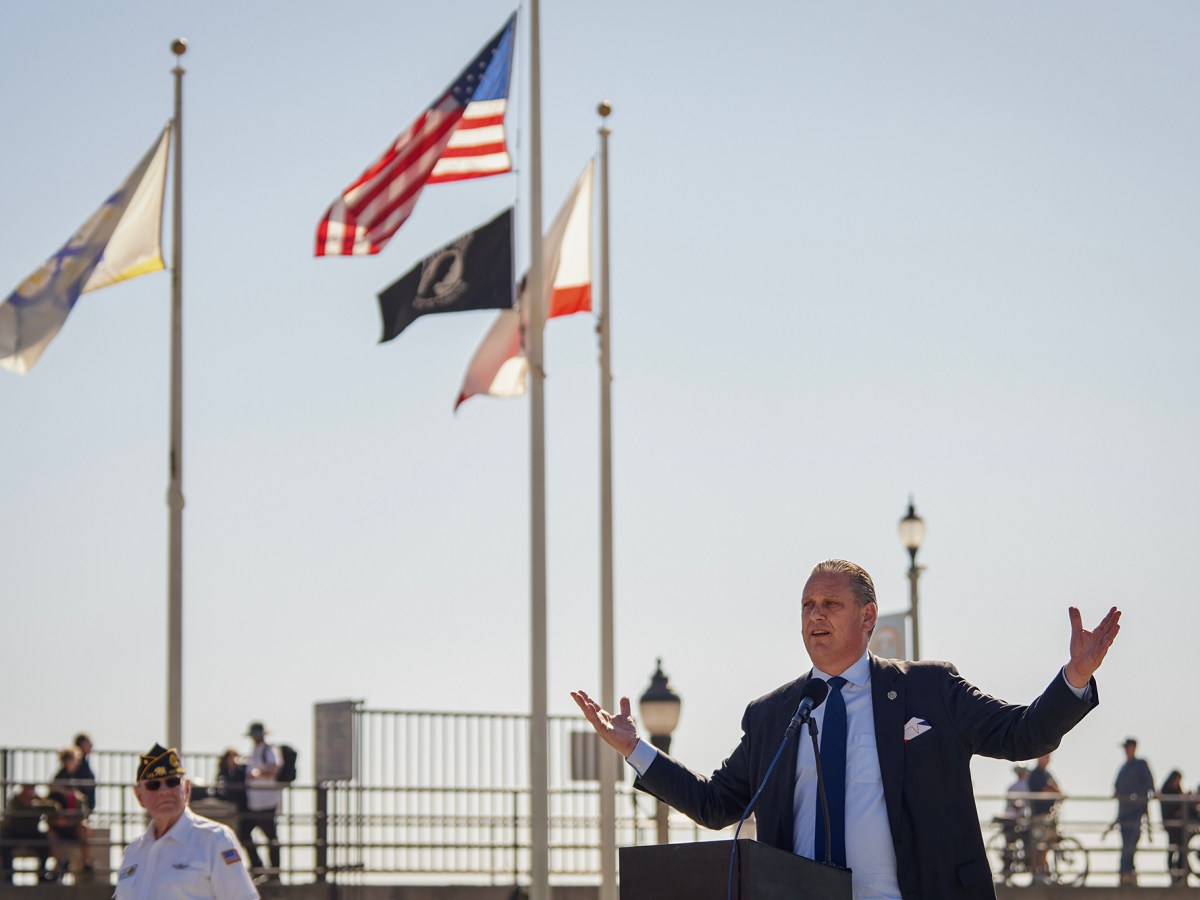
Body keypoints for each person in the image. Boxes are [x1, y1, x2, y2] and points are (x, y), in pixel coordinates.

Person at [572, 558, 1121, 900]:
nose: (815, 616)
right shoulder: (774, 713)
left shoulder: (929, 690)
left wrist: (1073, 677)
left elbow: (1021, 735)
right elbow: (719, 803)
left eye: (830, 604)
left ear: (867, 618)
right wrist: (636, 750)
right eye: (807, 605)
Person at [114, 743, 258, 899]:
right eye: (153, 785)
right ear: (139, 796)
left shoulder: (216, 840)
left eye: (172, 782)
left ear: (187, 788)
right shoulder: (133, 852)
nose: (164, 791)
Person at [239, 722, 282, 884]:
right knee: (245, 833)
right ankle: (259, 868)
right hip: (255, 802)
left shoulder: (269, 749)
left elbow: (274, 768)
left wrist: (258, 774)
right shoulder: (257, 751)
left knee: (271, 837)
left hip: (266, 801)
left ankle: (273, 872)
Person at [1113, 737, 1154, 886]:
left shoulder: (1140, 765)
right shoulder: (1123, 768)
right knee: (1126, 845)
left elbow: (1150, 784)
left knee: (1131, 844)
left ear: (1133, 748)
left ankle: (1127, 872)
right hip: (1124, 813)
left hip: (1136, 811)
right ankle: (1126, 873)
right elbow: (1116, 788)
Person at [48, 746, 93, 879]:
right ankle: (59, 864)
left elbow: (81, 808)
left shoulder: (76, 779)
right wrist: (57, 819)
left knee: (84, 828)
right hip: (59, 822)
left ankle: (86, 863)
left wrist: (70, 820)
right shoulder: (58, 779)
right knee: (50, 833)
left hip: (73, 822)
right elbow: (51, 804)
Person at [0, 784, 58, 884]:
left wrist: (39, 803)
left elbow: (53, 809)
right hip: (14, 832)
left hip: (31, 832)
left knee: (44, 840)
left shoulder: (37, 801)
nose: (30, 791)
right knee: (5, 842)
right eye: (28, 789)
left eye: (32, 789)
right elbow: (11, 818)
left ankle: (42, 874)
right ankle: (8, 876)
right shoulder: (15, 801)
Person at [1025, 754, 1060, 883]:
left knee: (1046, 844)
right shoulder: (1035, 774)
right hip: (1038, 815)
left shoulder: (1047, 774)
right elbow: (1044, 789)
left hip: (1048, 815)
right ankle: (1036, 873)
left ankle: (1042, 871)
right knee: (1038, 844)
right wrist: (1052, 789)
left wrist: (1053, 789)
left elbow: (1057, 789)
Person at [1159, 769, 1187, 885]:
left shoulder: (1177, 790)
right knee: (1172, 849)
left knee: (1181, 849)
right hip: (1171, 826)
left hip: (1179, 827)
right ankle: (1172, 872)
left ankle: (1180, 875)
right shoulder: (1166, 790)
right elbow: (1167, 809)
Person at [71, 733, 97, 815]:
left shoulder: (85, 762)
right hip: (79, 807)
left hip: (86, 805)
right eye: (88, 742)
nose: (91, 745)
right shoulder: (75, 764)